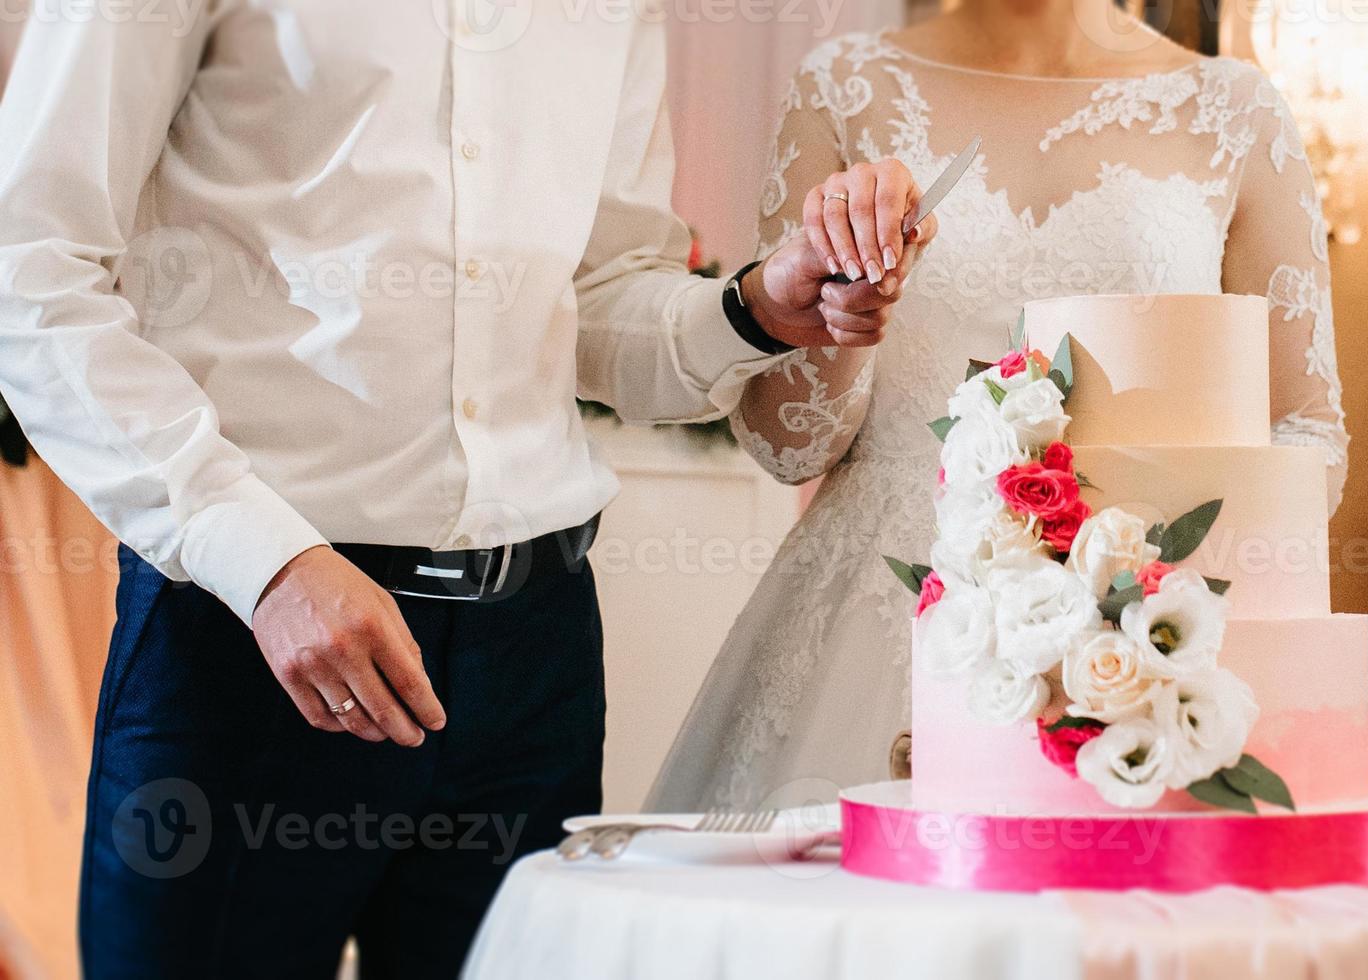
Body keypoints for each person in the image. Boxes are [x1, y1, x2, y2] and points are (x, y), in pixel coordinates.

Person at [0, 4, 935, 977]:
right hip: (248, 642)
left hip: (531, 662)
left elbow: (600, 296)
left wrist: (754, 305)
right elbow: (27, 274)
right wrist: (264, 561)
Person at [649, 5, 1348, 812]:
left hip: (1134, 631)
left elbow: (1306, 434)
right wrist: (851, 310)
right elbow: (786, 448)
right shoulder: (844, 86)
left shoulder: (1236, 109)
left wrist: (1146, 598)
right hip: (880, 614)